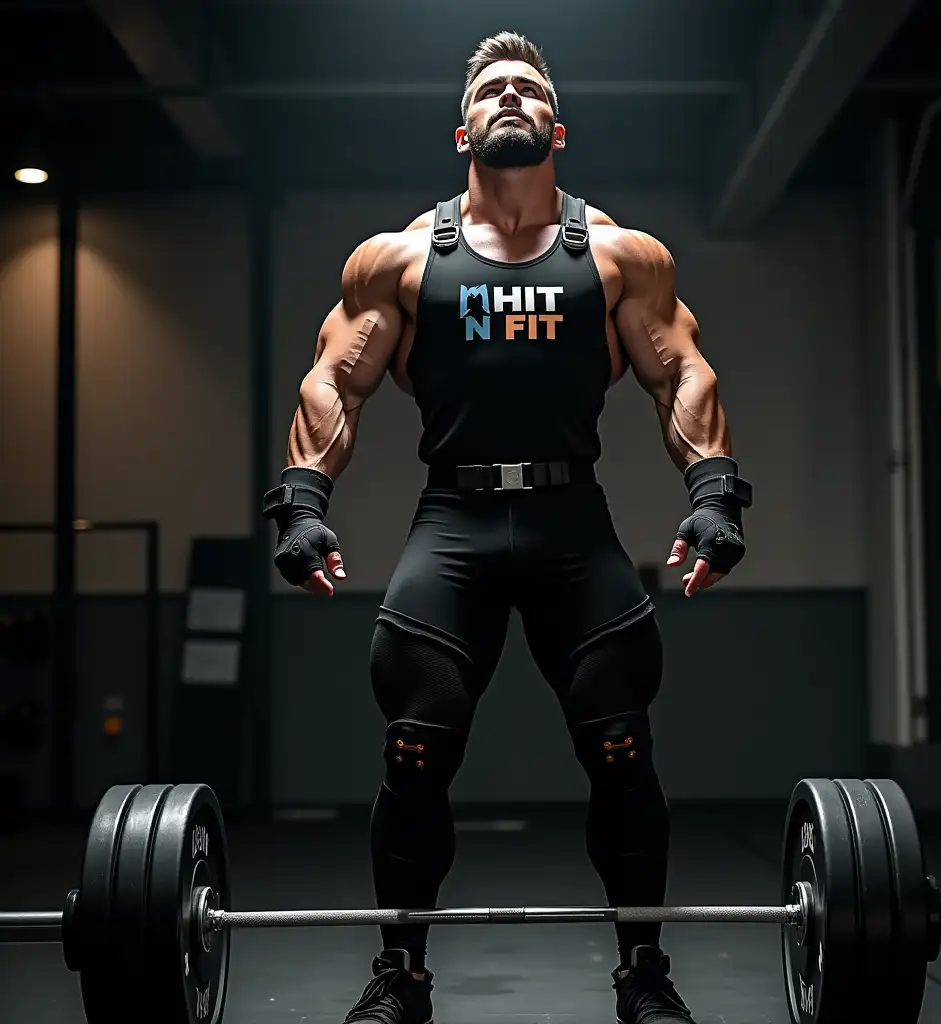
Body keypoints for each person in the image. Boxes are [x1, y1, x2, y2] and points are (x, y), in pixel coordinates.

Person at [263, 30, 751, 1024]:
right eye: (492, 89)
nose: (512, 97)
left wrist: (712, 491)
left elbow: (679, 373)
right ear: (463, 130)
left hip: (574, 521)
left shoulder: (615, 256)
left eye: (529, 88)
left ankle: (644, 974)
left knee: (621, 740)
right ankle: (400, 976)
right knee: (412, 748)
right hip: (457, 521)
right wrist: (303, 501)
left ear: (557, 127)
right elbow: (335, 382)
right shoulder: (401, 260)